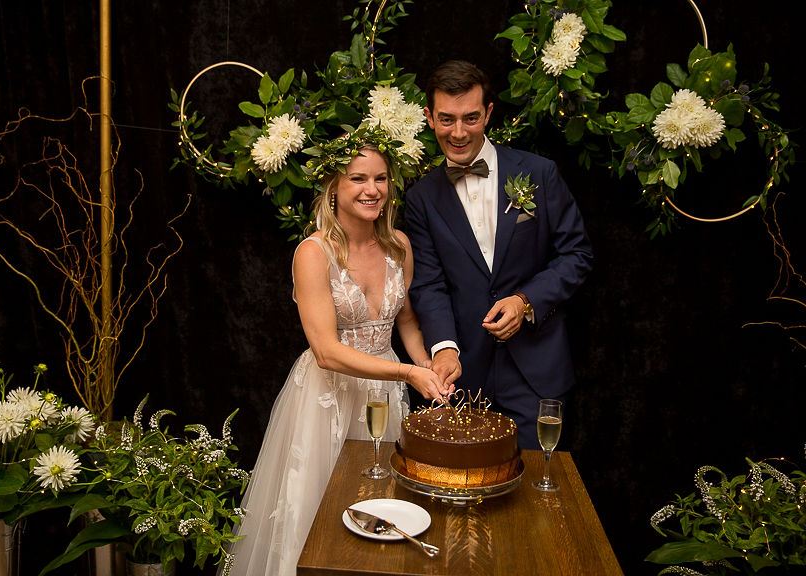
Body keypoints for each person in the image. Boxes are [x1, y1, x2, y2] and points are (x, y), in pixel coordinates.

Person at [228, 128, 448, 576]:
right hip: (327, 396)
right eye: (358, 178)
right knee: (316, 515)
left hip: (384, 397)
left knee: (380, 510)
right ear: (333, 186)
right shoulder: (313, 253)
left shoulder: (399, 246)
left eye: (381, 179)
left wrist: (430, 364)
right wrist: (407, 374)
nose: (373, 190)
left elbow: (404, 320)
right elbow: (326, 351)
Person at [404, 60, 593, 450]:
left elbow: (577, 254)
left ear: (488, 113)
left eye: (470, 118)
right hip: (462, 375)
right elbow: (428, 284)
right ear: (429, 117)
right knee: (463, 493)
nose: (458, 133)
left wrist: (526, 301)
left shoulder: (539, 174)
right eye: (446, 119)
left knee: (534, 495)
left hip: (536, 373)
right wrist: (444, 350)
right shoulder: (420, 198)